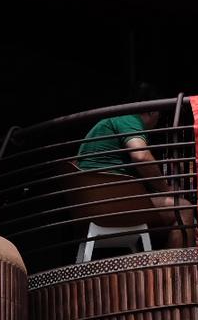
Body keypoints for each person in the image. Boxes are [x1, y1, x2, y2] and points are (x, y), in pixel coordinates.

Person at [75, 85, 189, 247]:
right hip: (111, 204)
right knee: (184, 207)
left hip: (91, 204)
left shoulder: (110, 122)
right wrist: (165, 189)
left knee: (170, 214)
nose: (158, 121)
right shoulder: (129, 120)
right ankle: (178, 271)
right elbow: (140, 155)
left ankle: (163, 264)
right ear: (151, 111)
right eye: (159, 115)